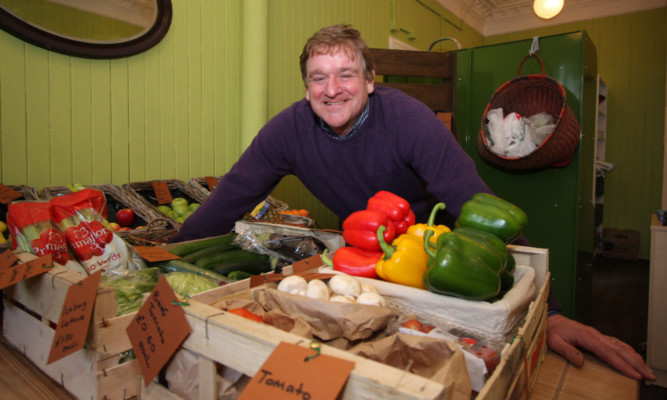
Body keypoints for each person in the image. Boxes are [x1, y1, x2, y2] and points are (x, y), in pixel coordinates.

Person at [170, 24, 655, 382]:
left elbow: (472, 203)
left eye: (346, 74)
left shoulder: (410, 120)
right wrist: (168, 252)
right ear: (306, 87)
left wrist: (547, 312)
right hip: (364, 262)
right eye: (319, 78)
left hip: (435, 258)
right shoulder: (287, 131)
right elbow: (232, 195)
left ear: (371, 79)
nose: (332, 88)